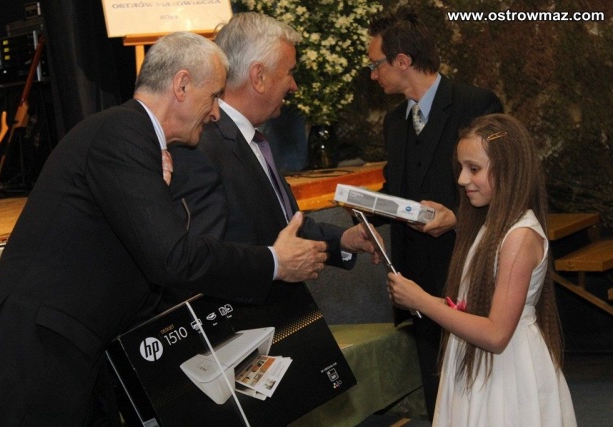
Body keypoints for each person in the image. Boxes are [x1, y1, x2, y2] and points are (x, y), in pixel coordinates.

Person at [0, 32, 329, 426]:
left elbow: (144, 255)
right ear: (181, 85)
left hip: (71, 356)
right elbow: (172, 257)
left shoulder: (136, 139)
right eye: (213, 97)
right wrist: (273, 262)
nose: (215, 113)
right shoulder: (122, 132)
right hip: (31, 361)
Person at [166, 11, 379, 310]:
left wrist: (343, 239)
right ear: (259, 77)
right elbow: (201, 262)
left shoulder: (250, 139)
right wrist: (275, 265)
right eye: (289, 72)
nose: (294, 86)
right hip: (245, 324)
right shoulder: (199, 147)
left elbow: (282, 225)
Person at [388, 114, 577, 426]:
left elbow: (496, 334)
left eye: (473, 169)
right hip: (478, 365)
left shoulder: (519, 238)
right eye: (461, 168)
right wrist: (423, 299)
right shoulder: (488, 225)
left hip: (508, 372)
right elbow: (471, 307)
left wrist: (422, 301)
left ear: (507, 169)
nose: (462, 179)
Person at [367, 8, 503, 418]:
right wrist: (364, 217)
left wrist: (457, 219)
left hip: (466, 264)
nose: (372, 75)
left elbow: (507, 183)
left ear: (402, 61)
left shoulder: (475, 103)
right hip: (416, 275)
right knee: (434, 384)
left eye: (375, 64)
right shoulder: (395, 122)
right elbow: (397, 190)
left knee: (477, 385)